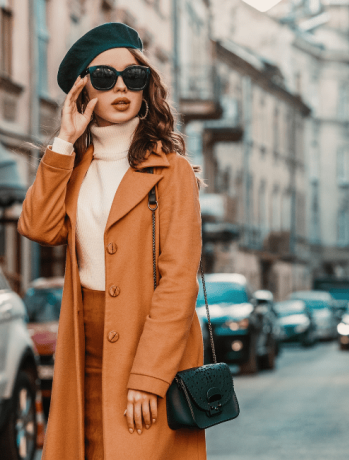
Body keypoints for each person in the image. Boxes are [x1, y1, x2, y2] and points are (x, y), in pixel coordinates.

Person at [17, 22, 207, 460]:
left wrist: (149, 376)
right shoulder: (73, 166)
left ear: (146, 88)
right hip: (83, 346)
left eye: (133, 77)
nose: (121, 87)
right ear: (84, 93)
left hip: (151, 345)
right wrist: (63, 142)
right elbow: (38, 227)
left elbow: (178, 283)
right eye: (104, 78)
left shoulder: (172, 171)